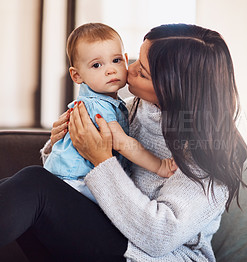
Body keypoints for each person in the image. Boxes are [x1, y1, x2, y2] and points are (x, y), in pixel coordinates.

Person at [0, 23, 247, 261]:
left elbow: (158, 238)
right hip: (112, 230)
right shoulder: (130, 110)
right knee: (17, 190)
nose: (127, 70)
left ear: (174, 90)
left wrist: (102, 160)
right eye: (134, 60)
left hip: (154, 256)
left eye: (142, 72)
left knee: (34, 186)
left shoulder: (207, 155)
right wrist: (61, 142)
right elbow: (75, 177)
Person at [43, 23, 176, 202]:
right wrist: (160, 165)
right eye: (97, 65)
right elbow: (121, 143)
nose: (110, 70)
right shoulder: (97, 107)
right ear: (77, 76)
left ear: (125, 58)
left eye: (116, 60)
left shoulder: (116, 104)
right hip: (75, 181)